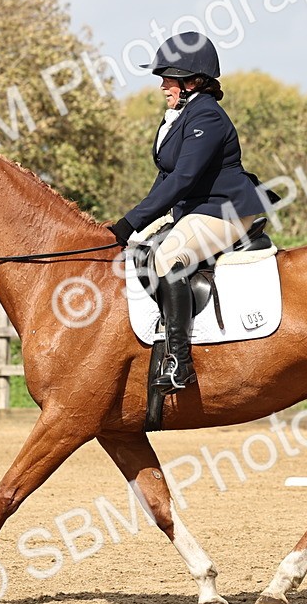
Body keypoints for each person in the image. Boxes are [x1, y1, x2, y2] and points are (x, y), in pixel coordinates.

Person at [109, 31, 272, 394]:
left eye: (169, 77)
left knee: (167, 257)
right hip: (196, 210)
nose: (163, 85)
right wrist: (133, 225)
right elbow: (166, 177)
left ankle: (179, 362)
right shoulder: (181, 115)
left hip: (226, 211)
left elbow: (183, 178)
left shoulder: (208, 116)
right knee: (139, 249)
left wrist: (130, 221)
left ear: (192, 81)